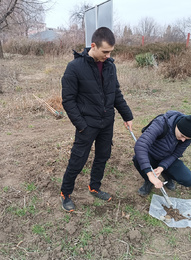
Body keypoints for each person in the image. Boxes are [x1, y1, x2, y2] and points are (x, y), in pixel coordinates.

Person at [60, 27, 133, 212]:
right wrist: (81, 124)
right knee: (77, 160)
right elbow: (68, 101)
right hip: (87, 125)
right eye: (105, 51)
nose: (108, 56)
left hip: (107, 123)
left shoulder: (110, 66)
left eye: (110, 52)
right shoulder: (74, 68)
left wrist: (127, 115)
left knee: (103, 156)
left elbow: (115, 93)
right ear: (93, 46)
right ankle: (65, 193)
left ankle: (94, 187)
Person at [133, 110, 191, 195]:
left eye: (187, 139)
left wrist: (162, 167)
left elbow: (176, 154)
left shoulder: (188, 136)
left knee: (188, 180)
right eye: (182, 136)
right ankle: (148, 181)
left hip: (167, 158)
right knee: (137, 159)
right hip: (151, 155)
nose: (183, 140)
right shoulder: (161, 123)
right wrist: (150, 174)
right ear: (177, 126)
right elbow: (141, 145)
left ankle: (167, 176)